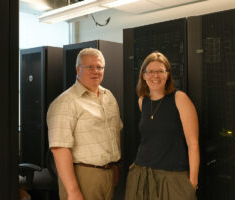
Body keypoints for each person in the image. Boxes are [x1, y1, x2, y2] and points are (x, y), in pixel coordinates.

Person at [47, 47, 123, 200]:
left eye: (99, 67)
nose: (95, 71)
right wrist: (73, 191)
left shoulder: (109, 97)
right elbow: (59, 149)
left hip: (108, 174)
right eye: (90, 67)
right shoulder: (65, 102)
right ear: (77, 69)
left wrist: (115, 166)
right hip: (82, 175)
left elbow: (115, 133)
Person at [125, 52, 199, 200]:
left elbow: (193, 145)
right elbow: (149, 137)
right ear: (143, 75)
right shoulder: (142, 101)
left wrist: (192, 182)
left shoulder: (180, 99)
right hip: (141, 174)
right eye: (150, 71)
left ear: (167, 74)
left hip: (172, 177)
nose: (155, 76)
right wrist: (135, 165)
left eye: (160, 71)